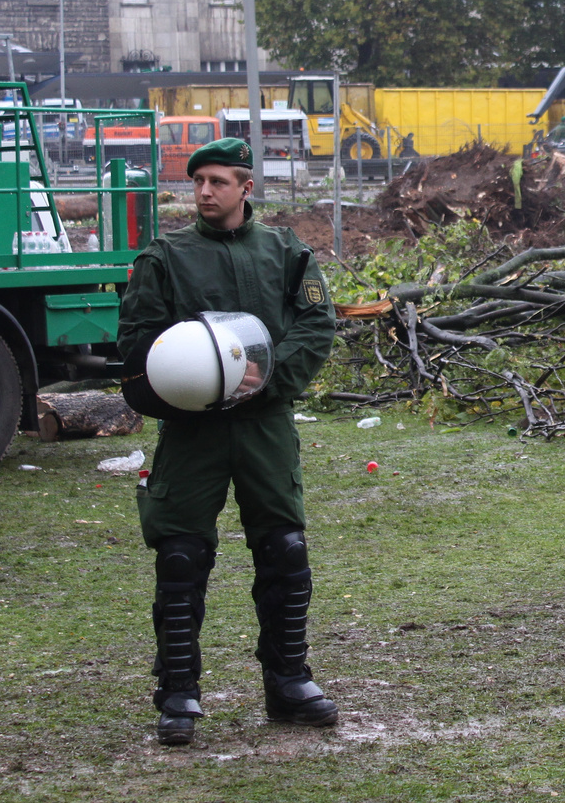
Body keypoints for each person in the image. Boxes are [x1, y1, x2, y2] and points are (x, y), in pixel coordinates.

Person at [117, 138, 338, 745]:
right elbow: (135, 342)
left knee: (284, 548)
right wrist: (184, 380)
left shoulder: (284, 251)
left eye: (218, 181)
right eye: (198, 182)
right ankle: (179, 692)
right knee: (182, 556)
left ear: (245, 187)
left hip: (265, 423)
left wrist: (267, 378)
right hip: (193, 431)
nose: (205, 192)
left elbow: (318, 324)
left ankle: (289, 680)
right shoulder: (165, 257)